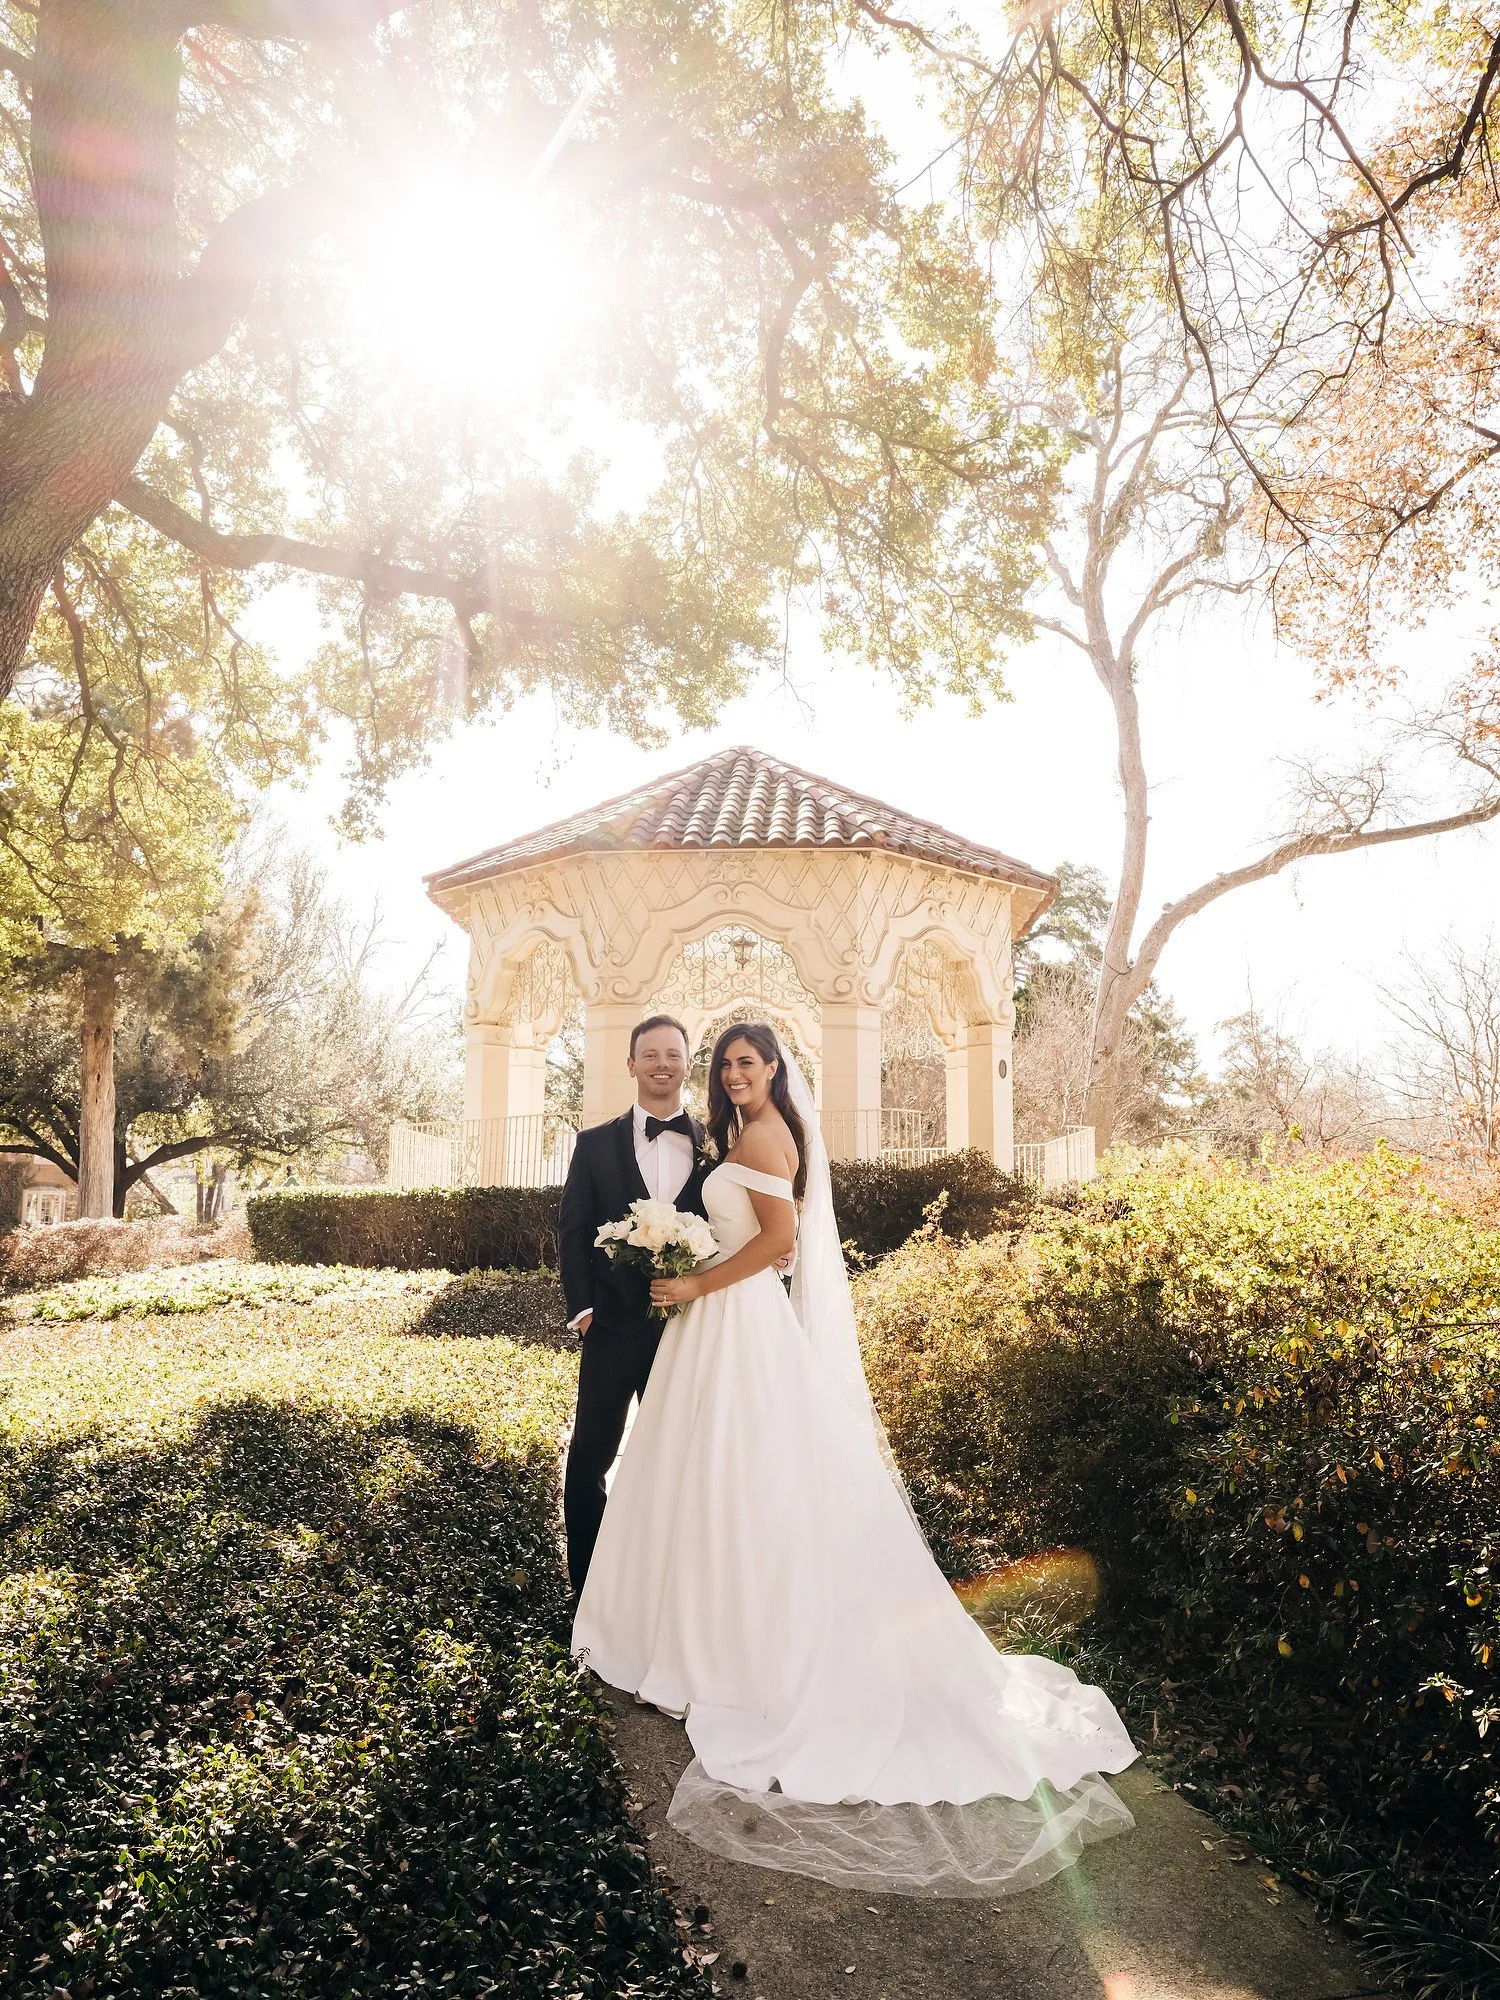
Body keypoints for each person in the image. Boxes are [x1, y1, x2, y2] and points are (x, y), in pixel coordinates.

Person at [571, 1020, 1139, 1898]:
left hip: (734, 1320)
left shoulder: (767, 1134)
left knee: (742, 1483)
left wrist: (691, 1281)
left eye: (744, 1064)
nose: (733, 1076)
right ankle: (681, 1631)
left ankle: (731, 1646)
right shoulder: (731, 1134)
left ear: (773, 1071)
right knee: (701, 1481)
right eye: (725, 1066)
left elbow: (773, 1244)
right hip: (710, 1327)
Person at [557, 1013, 709, 1594]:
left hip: (692, 1328)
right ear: (631, 1064)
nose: (662, 1064)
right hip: (613, 1329)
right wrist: (584, 1311)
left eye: (673, 1053)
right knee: (592, 1453)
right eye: (651, 1054)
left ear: (687, 1064)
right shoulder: (595, 1145)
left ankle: (677, 1584)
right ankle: (590, 1586)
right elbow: (572, 1231)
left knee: (687, 1456)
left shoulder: (719, 1144)